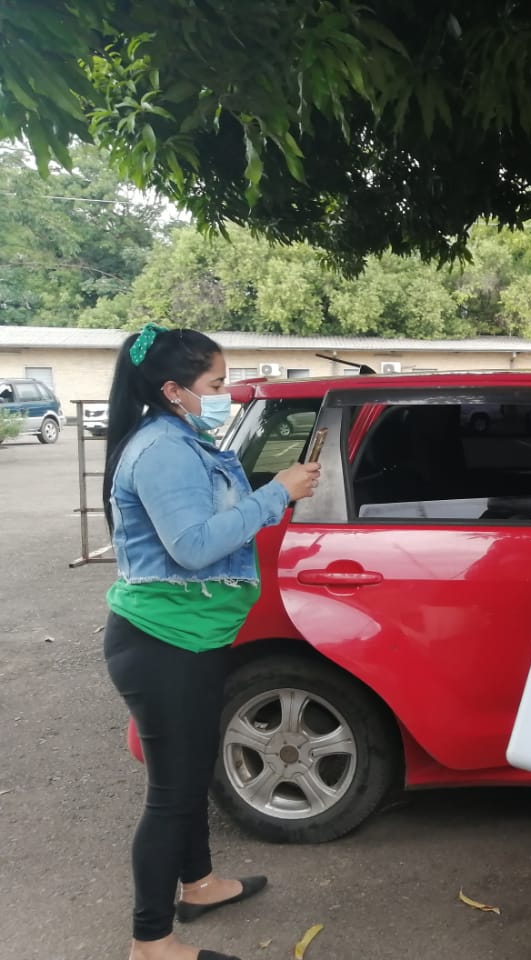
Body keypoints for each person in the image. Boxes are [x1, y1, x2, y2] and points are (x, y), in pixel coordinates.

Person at [102, 323, 321, 960]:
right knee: (171, 792)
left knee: (190, 770)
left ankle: (198, 884)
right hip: (162, 643)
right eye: (216, 385)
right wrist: (277, 494)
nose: (225, 394)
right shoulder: (164, 449)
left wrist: (269, 493)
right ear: (173, 390)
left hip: (189, 637)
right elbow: (193, 546)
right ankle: (151, 939)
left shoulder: (181, 436)